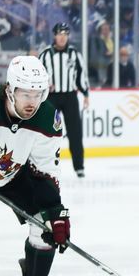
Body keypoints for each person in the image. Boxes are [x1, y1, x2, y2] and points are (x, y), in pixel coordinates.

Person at [0, 55, 71, 276]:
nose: (32, 102)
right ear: (10, 90)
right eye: (25, 94)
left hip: (12, 175)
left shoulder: (47, 118)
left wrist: (55, 211)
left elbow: (46, 170)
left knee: (47, 218)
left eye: (37, 94)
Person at [38, 22, 89, 178]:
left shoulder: (74, 54)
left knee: (75, 132)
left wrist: (86, 94)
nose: (62, 37)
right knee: (47, 132)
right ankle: (43, 166)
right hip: (51, 97)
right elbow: (38, 75)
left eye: (65, 34)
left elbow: (81, 75)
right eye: (60, 34)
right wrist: (45, 86)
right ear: (54, 35)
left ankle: (79, 167)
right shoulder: (45, 54)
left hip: (70, 97)